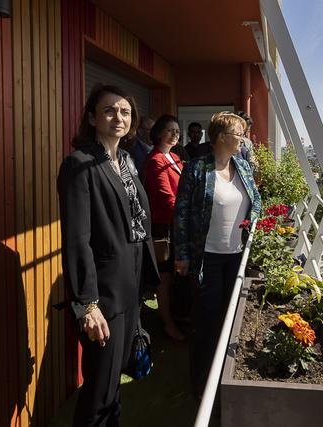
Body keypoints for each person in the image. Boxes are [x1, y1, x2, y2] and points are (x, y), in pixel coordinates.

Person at [57, 84, 160, 426]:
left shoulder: (128, 161)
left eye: (126, 112)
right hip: (104, 296)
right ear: (92, 117)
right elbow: (77, 239)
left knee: (114, 383)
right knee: (99, 390)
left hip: (130, 289)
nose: (119, 117)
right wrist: (87, 303)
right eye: (109, 111)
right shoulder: (80, 164)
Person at [174, 112, 261, 397]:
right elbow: (182, 214)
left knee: (231, 319)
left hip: (237, 257)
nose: (244, 139)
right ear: (222, 137)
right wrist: (182, 254)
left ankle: (224, 379)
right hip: (206, 259)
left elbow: (256, 201)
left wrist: (253, 228)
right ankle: (201, 385)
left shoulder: (243, 167)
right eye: (240, 134)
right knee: (206, 323)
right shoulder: (197, 168)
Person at [143, 114, 186, 341]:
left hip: (176, 224)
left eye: (177, 131)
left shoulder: (175, 158)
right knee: (165, 276)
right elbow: (165, 198)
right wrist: (186, 216)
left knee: (175, 274)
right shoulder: (156, 160)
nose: (174, 134)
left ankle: (174, 315)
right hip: (163, 227)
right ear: (159, 132)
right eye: (170, 130)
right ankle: (167, 324)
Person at [128, 116, 155, 181]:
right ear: (140, 131)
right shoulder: (133, 151)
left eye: (156, 129)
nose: (155, 133)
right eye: (151, 130)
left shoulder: (159, 148)